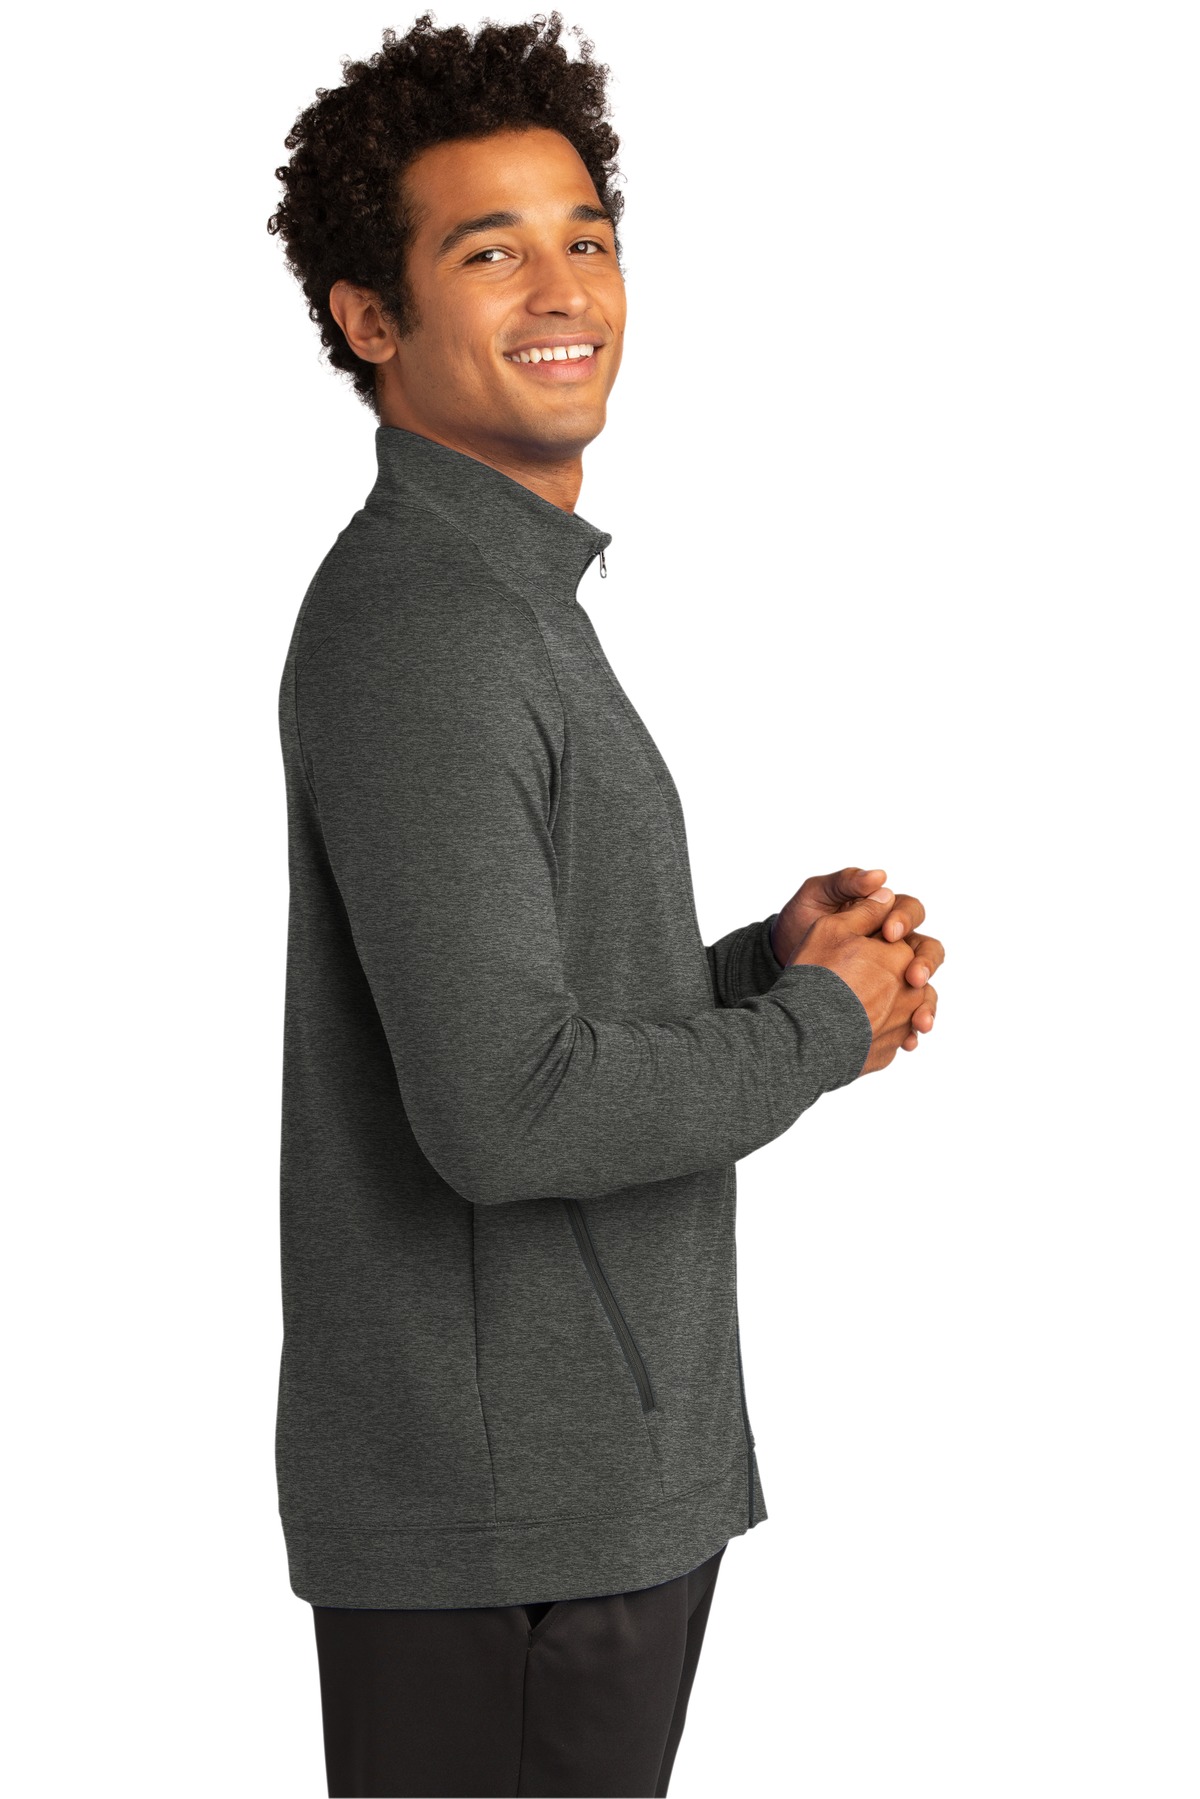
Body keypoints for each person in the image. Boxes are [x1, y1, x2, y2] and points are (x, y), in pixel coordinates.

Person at [267, 13, 943, 1796]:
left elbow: (519, 1004)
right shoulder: (432, 626)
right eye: (488, 252)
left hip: (561, 1500)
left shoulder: (507, 599)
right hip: (512, 1528)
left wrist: (762, 974)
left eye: (587, 236)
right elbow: (505, 1109)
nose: (564, 288)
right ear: (371, 317)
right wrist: (817, 1029)